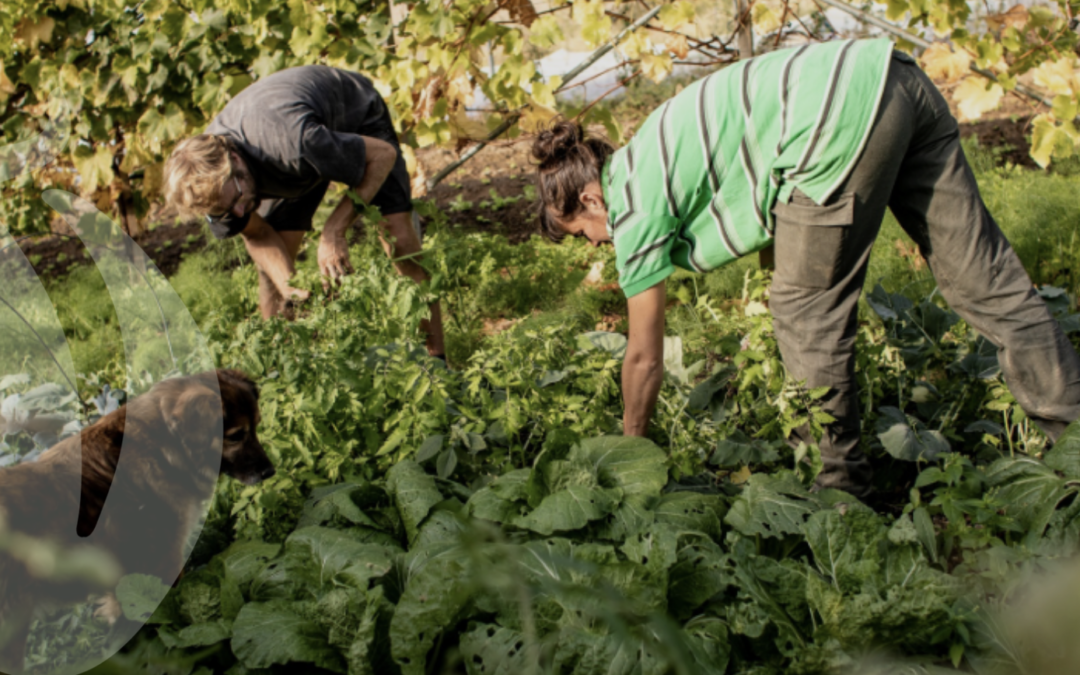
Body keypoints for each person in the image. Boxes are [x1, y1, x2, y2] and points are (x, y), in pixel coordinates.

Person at [531, 37, 1080, 497]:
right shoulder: (655, 148)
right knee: (988, 282)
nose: (598, 247)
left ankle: (838, 495)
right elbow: (773, 210)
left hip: (835, 121)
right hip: (894, 76)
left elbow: (645, 356)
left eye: (585, 236)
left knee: (804, 312)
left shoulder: (633, 201)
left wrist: (631, 451)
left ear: (590, 201)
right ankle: (1074, 439)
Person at [164, 65, 445, 357]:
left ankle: (438, 363)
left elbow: (383, 156)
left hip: (353, 115)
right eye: (226, 210)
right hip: (292, 154)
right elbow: (258, 234)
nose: (239, 211)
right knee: (273, 271)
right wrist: (290, 289)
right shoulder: (213, 188)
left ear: (234, 159)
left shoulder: (295, 144)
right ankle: (281, 369)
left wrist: (334, 230)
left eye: (236, 198)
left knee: (399, 239)